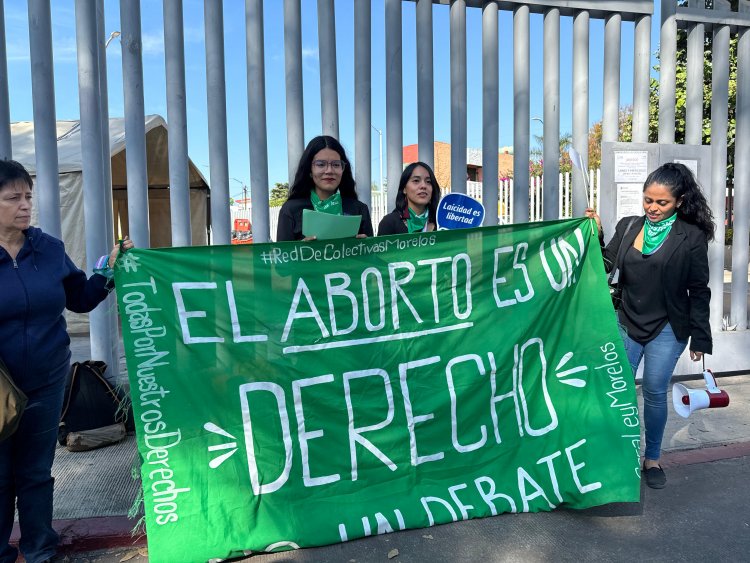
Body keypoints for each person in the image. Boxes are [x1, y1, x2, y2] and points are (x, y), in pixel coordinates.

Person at [0, 159, 134, 563]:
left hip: (46, 379)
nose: (25, 206)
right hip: (0, 388)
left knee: (36, 473)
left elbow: (80, 297)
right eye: (12, 198)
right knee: (1, 477)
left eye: (28, 196)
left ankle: (40, 549)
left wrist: (109, 271)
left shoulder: (48, 248)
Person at [586, 162, 714, 490]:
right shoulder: (629, 226)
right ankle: (619, 453)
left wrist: (700, 336)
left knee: (655, 391)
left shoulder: (692, 237)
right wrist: (597, 233)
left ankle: (652, 458)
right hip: (626, 320)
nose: (652, 208)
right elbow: (607, 266)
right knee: (618, 389)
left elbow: (699, 290)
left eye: (661, 203)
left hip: (668, 327)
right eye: (647, 200)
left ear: (680, 202)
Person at [276, 135, 373, 241]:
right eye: (321, 164)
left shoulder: (358, 209)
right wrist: (300, 251)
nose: (329, 171)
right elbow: (281, 255)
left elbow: (372, 255)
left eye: (336, 165)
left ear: (343, 170)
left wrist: (367, 247)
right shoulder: (290, 210)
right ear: (309, 170)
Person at [377, 161, 441, 236]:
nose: (423, 186)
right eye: (416, 181)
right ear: (404, 189)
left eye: (428, 182)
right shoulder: (389, 223)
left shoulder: (442, 223)